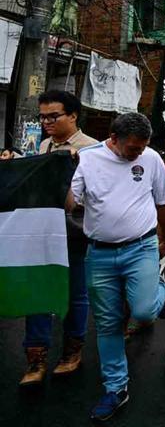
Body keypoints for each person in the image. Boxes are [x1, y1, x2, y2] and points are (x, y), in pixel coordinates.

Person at [67, 112, 165, 421]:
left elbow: (164, 201)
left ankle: (159, 293)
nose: (138, 154)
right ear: (113, 140)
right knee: (108, 323)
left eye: (143, 147)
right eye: (133, 149)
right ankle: (116, 388)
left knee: (142, 311)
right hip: (99, 255)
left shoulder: (151, 158)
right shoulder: (87, 160)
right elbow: (70, 203)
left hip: (140, 247)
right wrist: (63, 170)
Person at [19, 90, 98, 387]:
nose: (47, 122)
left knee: (75, 293)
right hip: (42, 230)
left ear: (73, 115)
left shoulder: (93, 150)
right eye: (43, 117)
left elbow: (97, 195)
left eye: (54, 116)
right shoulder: (43, 146)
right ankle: (36, 357)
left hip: (75, 231)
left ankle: (71, 352)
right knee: (38, 290)